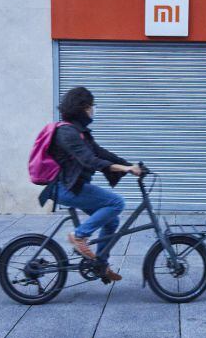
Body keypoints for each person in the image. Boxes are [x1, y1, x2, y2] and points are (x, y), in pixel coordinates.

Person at [49, 86, 141, 281]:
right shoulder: (66, 132)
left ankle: (100, 264)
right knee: (116, 203)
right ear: (82, 108)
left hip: (73, 186)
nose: (93, 110)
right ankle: (79, 236)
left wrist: (130, 165)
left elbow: (101, 153)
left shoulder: (79, 131)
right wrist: (124, 169)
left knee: (112, 220)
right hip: (64, 188)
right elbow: (89, 160)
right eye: (91, 106)